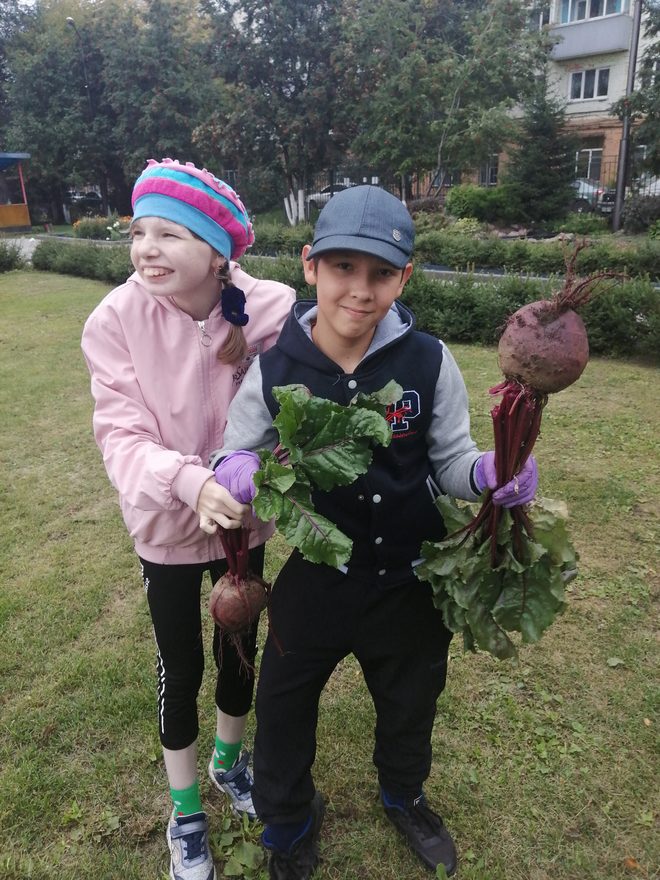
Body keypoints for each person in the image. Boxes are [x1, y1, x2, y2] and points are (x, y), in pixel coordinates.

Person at [208, 185, 538, 879]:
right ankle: (290, 822)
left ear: (404, 278)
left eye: (380, 273)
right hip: (319, 576)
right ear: (309, 266)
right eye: (342, 269)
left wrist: (489, 474)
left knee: (412, 695)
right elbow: (235, 449)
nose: (360, 290)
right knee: (283, 702)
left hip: (409, 578)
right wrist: (235, 468)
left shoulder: (428, 361)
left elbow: (449, 461)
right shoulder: (275, 367)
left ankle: (404, 793)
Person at [81, 158, 296, 880]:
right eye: (139, 231)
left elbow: (312, 352)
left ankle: (231, 767)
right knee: (182, 664)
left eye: (170, 234)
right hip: (170, 532)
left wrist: (255, 469)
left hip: (244, 526)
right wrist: (185, 479)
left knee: (240, 649)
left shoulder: (262, 305)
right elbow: (121, 434)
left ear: (217, 253)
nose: (146, 248)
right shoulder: (115, 320)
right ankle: (186, 812)